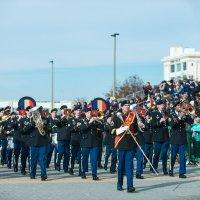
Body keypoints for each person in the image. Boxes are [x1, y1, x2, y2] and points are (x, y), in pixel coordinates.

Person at [112, 100, 142, 193]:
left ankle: (130, 186)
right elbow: (113, 131)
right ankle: (119, 184)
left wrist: (140, 126)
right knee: (121, 166)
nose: (127, 107)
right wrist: (124, 128)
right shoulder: (116, 117)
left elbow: (136, 131)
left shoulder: (132, 117)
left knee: (129, 166)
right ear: (121, 106)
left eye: (128, 105)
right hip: (121, 144)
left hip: (130, 144)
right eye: (126, 105)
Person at [169, 101, 193, 178]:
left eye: (180, 106)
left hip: (182, 138)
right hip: (175, 139)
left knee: (183, 157)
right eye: (178, 106)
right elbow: (173, 125)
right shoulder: (171, 115)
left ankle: (181, 173)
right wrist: (180, 117)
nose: (180, 107)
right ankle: (171, 170)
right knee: (173, 156)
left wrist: (187, 114)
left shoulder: (184, 114)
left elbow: (191, 122)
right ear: (175, 107)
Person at [80, 108, 104, 180]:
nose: (90, 114)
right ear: (85, 113)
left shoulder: (95, 120)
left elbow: (102, 128)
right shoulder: (82, 121)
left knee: (94, 159)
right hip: (85, 143)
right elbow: (82, 129)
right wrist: (90, 122)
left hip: (94, 143)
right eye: (88, 113)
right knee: (85, 159)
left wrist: (99, 121)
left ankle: (94, 174)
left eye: (91, 112)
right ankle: (83, 172)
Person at [151, 100, 170, 175]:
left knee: (164, 154)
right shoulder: (154, 113)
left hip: (165, 136)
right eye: (161, 104)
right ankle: (154, 167)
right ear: (158, 105)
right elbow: (152, 125)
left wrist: (168, 120)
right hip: (158, 137)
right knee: (157, 154)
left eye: (163, 104)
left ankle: (165, 169)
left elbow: (168, 123)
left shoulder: (165, 113)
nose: (163, 105)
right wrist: (160, 121)